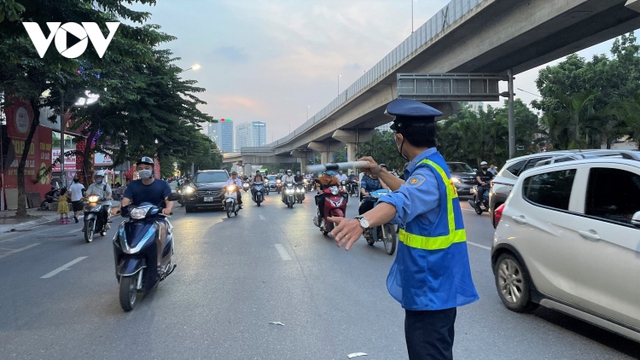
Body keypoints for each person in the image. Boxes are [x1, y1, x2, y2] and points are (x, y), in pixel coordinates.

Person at [327, 99, 478, 360]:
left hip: (430, 288)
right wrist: (380, 172)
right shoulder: (433, 167)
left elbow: (402, 200)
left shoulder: (427, 175)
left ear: (399, 138)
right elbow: (409, 190)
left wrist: (362, 221)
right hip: (437, 285)